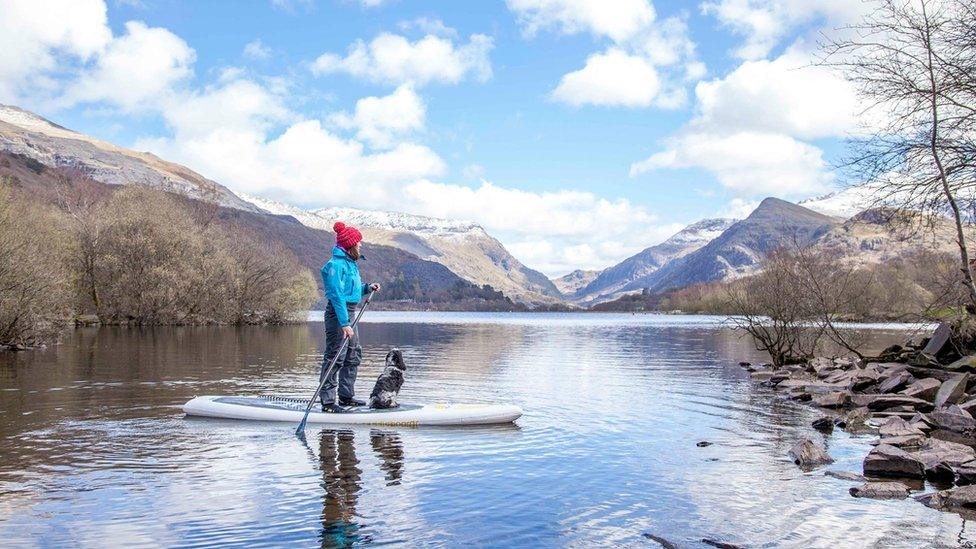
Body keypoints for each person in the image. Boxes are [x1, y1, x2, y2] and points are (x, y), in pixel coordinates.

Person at [320, 222, 380, 412]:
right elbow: (337, 295)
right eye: (358, 243)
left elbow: (351, 291)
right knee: (335, 357)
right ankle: (328, 402)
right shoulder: (335, 266)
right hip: (338, 314)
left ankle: (346, 396)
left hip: (350, 312)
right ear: (350, 245)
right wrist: (344, 323)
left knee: (353, 355)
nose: (360, 245)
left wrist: (367, 288)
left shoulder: (351, 264)